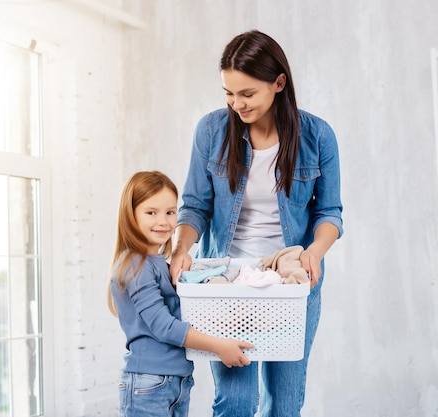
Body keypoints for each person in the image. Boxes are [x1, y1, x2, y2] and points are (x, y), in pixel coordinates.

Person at [169, 30, 344, 417]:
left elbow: (329, 212)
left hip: (292, 285)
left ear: (278, 83)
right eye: (228, 93)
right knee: (236, 402)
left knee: (284, 404)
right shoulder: (212, 131)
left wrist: (314, 253)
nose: (236, 104)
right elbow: (195, 205)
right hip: (227, 284)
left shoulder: (318, 136)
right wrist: (181, 248)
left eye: (247, 94)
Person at [108, 171, 254, 417]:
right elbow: (164, 326)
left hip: (175, 380)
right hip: (149, 381)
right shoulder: (135, 264)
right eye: (151, 212)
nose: (163, 221)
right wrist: (219, 346)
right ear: (130, 215)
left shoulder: (159, 264)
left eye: (170, 212)